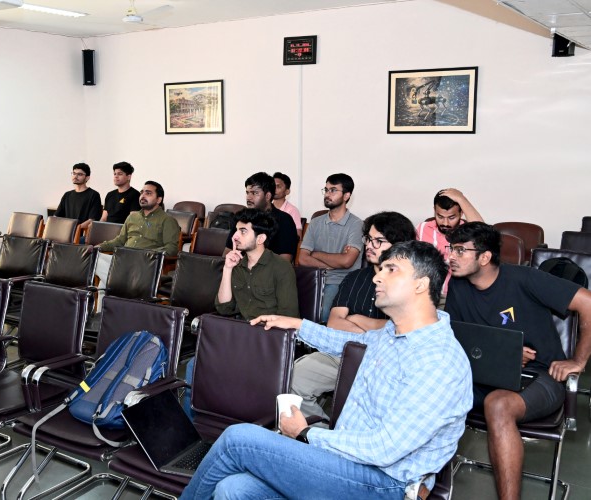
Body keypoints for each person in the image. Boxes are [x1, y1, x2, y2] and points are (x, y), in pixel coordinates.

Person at [180, 241, 472, 500]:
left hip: (385, 484)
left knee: (238, 440)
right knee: (233, 489)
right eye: (381, 268)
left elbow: (384, 449)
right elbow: (347, 342)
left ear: (421, 284)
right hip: (346, 463)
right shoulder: (393, 334)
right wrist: (296, 324)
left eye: (391, 269)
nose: (377, 276)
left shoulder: (438, 361)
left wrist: (306, 432)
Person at [444, 222, 591, 500]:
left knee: (498, 405)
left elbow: (588, 303)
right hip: (484, 374)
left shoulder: (525, 279)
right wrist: (502, 353)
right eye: (451, 248)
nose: (451, 256)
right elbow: (457, 337)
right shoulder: (458, 286)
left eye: (460, 250)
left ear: (485, 257)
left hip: (540, 377)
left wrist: (578, 361)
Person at [293, 211, 416, 419]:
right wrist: (376, 328)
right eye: (368, 239)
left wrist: (356, 319)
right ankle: (319, 430)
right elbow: (334, 323)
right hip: (342, 352)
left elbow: (402, 329)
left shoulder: (411, 284)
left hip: (387, 361)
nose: (369, 245)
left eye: (378, 241)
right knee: (297, 375)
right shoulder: (354, 278)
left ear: (399, 246)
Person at [184, 208, 299, 419]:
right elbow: (224, 308)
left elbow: (289, 318)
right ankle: (195, 423)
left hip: (267, 341)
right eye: (236, 230)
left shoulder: (281, 268)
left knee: (232, 370)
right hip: (239, 334)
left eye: (243, 231)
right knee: (194, 365)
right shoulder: (237, 264)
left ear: (261, 238)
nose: (235, 236)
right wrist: (227, 269)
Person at [298, 173, 364, 322]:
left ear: (346, 196)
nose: (327, 194)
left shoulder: (356, 224)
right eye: (326, 190)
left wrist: (315, 254)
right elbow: (302, 259)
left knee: (322, 314)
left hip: (340, 281)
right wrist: (333, 263)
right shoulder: (316, 222)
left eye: (333, 190)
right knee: (290, 308)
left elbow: (346, 262)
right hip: (313, 279)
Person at [95, 181, 180, 295]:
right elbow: (120, 240)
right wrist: (100, 246)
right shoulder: (132, 217)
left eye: (148, 193)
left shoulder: (167, 220)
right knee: (94, 256)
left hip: (144, 264)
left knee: (104, 284)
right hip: (123, 260)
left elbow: (172, 248)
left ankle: (116, 285)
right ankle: (121, 285)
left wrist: (148, 254)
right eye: (142, 192)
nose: (143, 196)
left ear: (159, 200)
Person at [416, 188, 483, 301]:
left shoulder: (468, 232)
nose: (445, 223)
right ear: (434, 211)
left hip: (456, 296)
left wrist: (462, 199)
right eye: (440, 217)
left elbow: (483, 232)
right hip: (425, 295)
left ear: (461, 213)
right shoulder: (422, 228)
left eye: (452, 217)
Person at [224, 172, 298, 262]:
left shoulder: (284, 220)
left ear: (268, 196)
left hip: (270, 269)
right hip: (240, 267)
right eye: (247, 193)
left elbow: (285, 260)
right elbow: (227, 252)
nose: (249, 198)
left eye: (255, 193)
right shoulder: (242, 218)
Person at [54, 163, 102, 233]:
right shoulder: (67, 195)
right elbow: (56, 216)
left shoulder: (94, 195)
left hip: (82, 234)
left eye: (79, 174)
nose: (75, 176)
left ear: (87, 177)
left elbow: (92, 220)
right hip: (66, 233)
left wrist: (75, 229)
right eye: (74, 173)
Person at [273, 172, 302, 237]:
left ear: (287, 191)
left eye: (278, 186)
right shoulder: (266, 209)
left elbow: (298, 237)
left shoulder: (292, 210)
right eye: (272, 186)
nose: (274, 189)